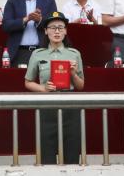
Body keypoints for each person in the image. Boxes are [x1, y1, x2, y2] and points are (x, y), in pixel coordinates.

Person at [24, 11, 85, 165]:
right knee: (46, 151)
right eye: (52, 28)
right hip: (47, 105)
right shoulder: (38, 54)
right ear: (46, 31)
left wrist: (73, 74)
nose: (57, 31)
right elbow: (28, 82)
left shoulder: (74, 54)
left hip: (70, 105)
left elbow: (80, 85)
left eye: (60, 27)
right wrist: (43, 88)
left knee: (71, 151)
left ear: (65, 31)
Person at [1, 0, 58, 67]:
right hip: (19, 52)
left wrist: (39, 20)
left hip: (43, 51)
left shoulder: (48, 0)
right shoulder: (13, 0)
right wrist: (25, 19)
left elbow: (55, 25)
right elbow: (6, 25)